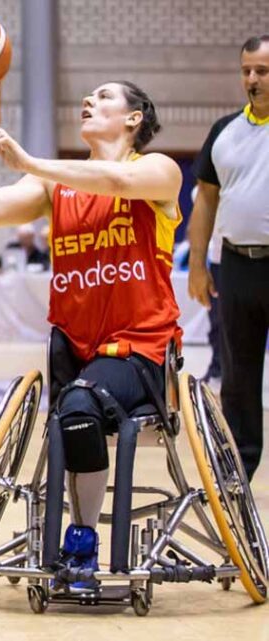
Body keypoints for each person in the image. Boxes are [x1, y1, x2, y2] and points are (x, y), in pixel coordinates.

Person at [0, 80, 182, 589]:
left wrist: (32, 163)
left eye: (103, 97)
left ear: (134, 118)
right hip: (75, 347)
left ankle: (82, 541)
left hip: (137, 348)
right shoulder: (57, 189)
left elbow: (115, 184)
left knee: (79, 407)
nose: (88, 101)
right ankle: (75, 523)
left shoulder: (158, 172)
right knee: (75, 411)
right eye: (87, 97)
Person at [188, 35, 269, 478]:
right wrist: (198, 264)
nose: (252, 79)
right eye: (246, 71)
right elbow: (205, 201)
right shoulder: (224, 131)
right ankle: (236, 473)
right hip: (236, 265)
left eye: (262, 70)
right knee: (238, 377)